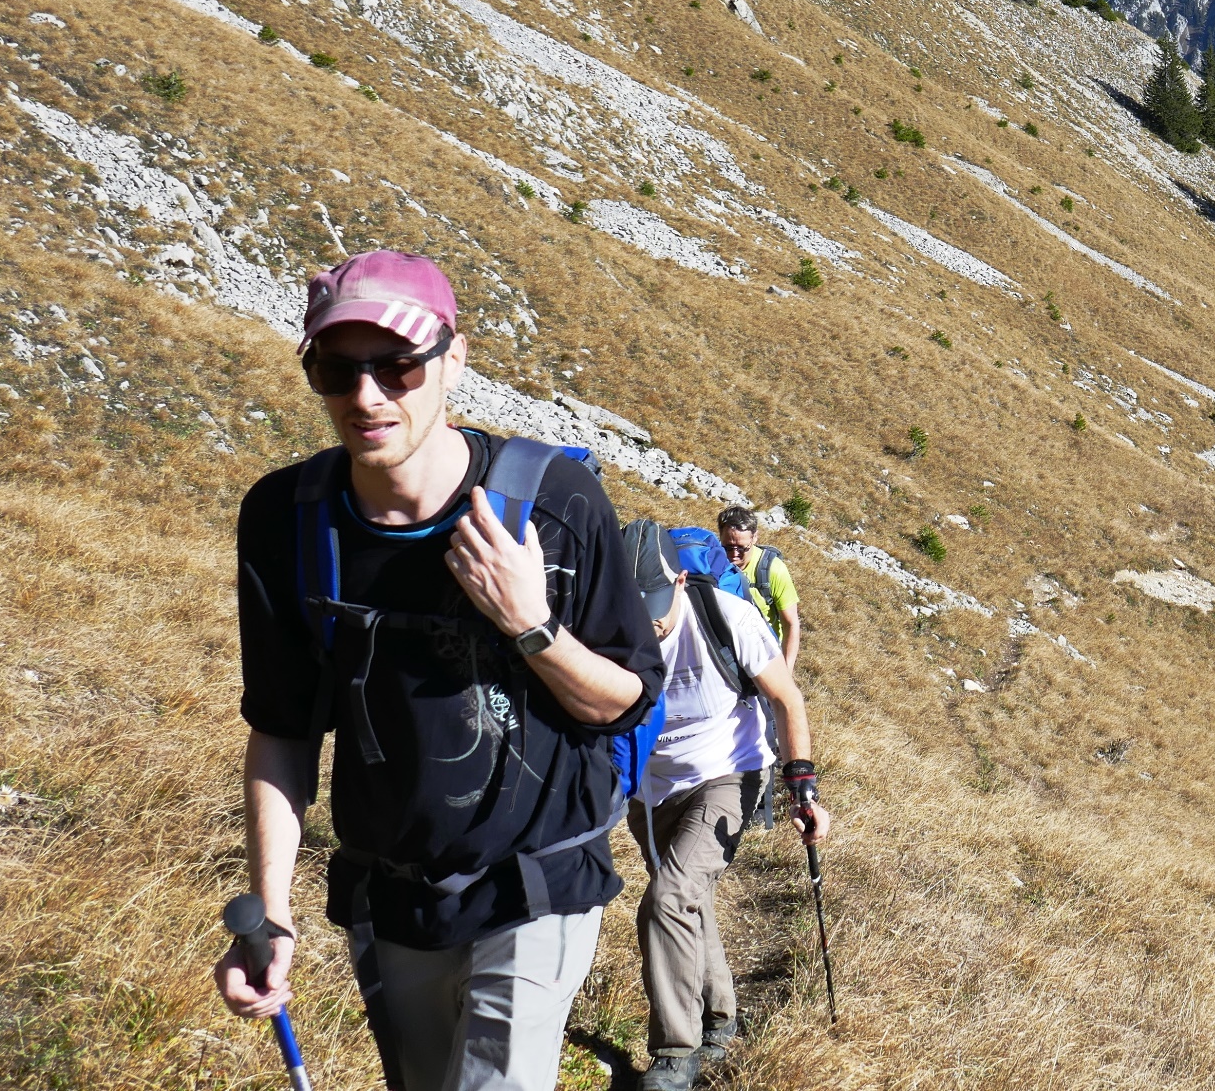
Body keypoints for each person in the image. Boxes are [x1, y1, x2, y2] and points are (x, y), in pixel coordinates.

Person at [216, 251, 662, 1091]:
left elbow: (626, 704)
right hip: (390, 896)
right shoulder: (285, 518)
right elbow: (281, 730)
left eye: (397, 367)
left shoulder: (557, 505)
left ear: (453, 360)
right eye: (336, 371)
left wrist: (529, 624)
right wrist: (270, 912)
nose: (367, 396)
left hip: (537, 882)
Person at [630, 518, 824, 1090]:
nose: (653, 620)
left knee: (668, 896)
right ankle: (721, 1018)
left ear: (682, 582)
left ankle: (674, 1053)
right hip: (653, 788)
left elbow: (787, 699)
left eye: (660, 602)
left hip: (729, 773)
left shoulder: (728, 618)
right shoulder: (609, 622)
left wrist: (802, 789)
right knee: (688, 901)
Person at [715, 505, 799, 666]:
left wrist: (786, 673)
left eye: (742, 548)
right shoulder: (713, 565)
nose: (734, 555)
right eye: (728, 547)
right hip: (726, 658)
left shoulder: (773, 570)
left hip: (765, 659)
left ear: (754, 538)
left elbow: (791, 623)